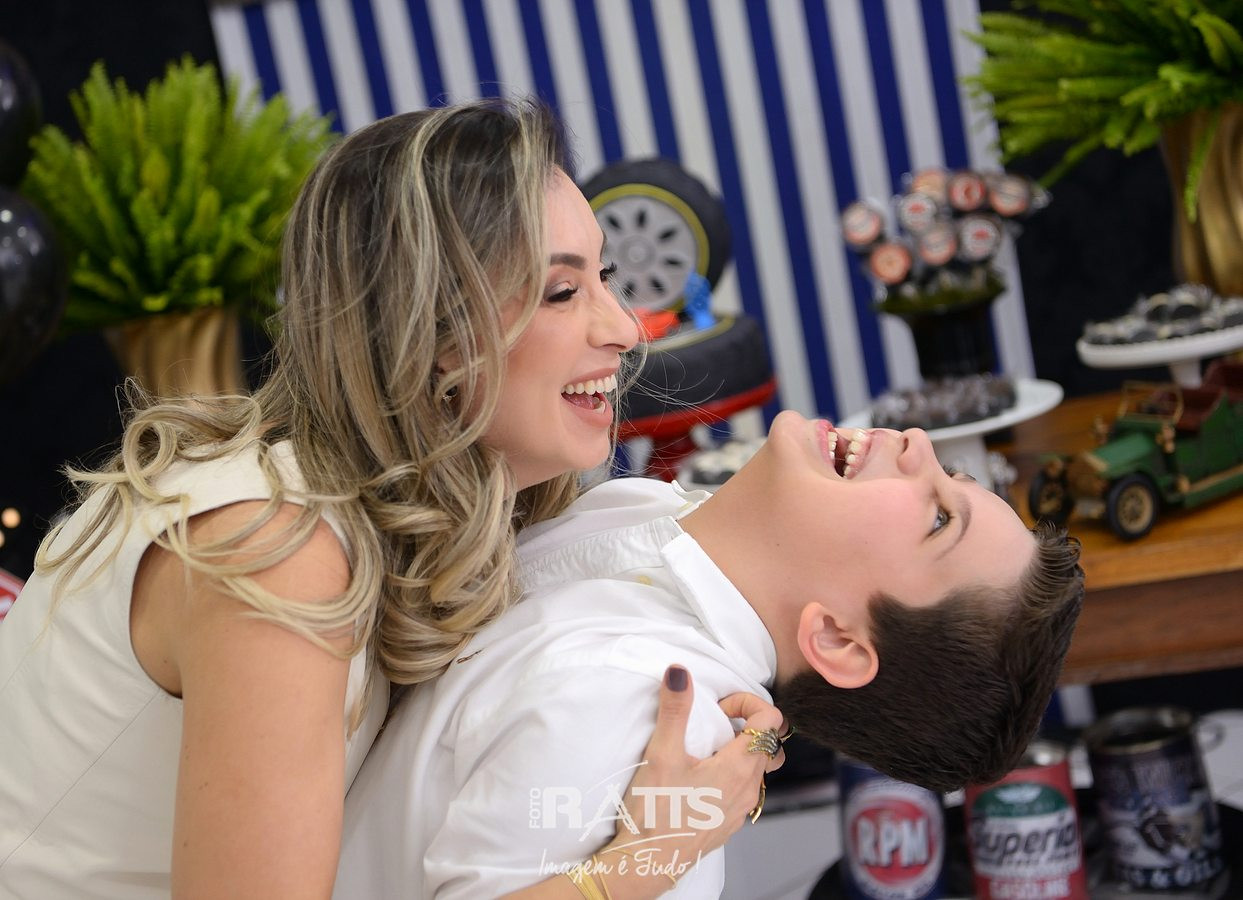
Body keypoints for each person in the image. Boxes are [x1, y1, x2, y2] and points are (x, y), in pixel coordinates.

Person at [0, 99, 778, 898]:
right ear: (424, 330)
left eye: (603, 279)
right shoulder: (276, 547)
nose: (624, 329)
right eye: (560, 292)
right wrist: (645, 859)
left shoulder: (413, 519)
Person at [336, 415, 1085, 898]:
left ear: (836, 639)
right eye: (955, 476)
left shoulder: (644, 720)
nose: (919, 442)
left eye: (938, 519)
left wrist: (629, 873)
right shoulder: (649, 513)